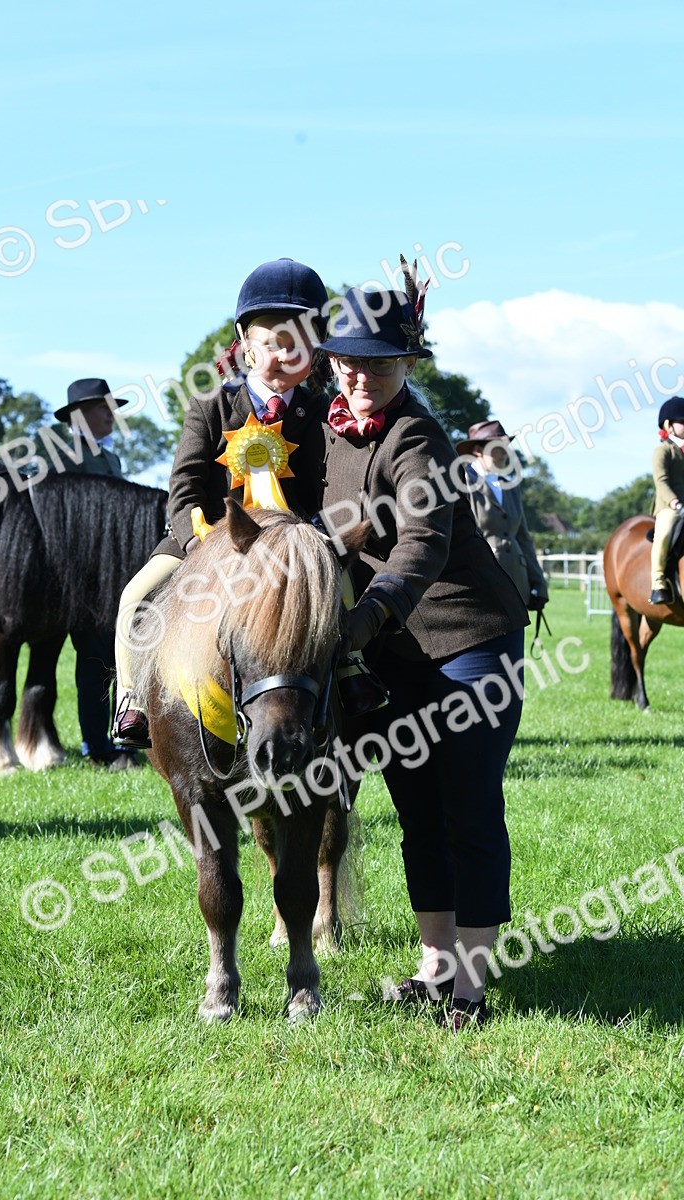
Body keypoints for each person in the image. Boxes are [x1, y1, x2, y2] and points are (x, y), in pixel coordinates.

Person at [318, 277, 528, 1031]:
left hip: (471, 640)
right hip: (393, 650)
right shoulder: (324, 429)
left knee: (468, 807)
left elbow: (422, 542)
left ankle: (471, 987)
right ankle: (434, 968)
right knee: (416, 811)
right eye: (346, 360)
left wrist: (367, 615)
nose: (359, 375)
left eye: (377, 363)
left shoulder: (419, 437)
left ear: (409, 364)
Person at [112, 257, 347, 749]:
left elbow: (325, 490)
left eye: (295, 348)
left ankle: (353, 672)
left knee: (343, 590)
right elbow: (184, 485)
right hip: (209, 537)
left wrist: (314, 537)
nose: (280, 358)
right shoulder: (209, 404)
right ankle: (132, 700)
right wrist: (199, 536)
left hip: (292, 547)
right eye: (268, 345)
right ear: (244, 343)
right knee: (135, 598)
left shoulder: (321, 414)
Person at [53, 378, 136, 769]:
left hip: (114, 572)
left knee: (118, 659)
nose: (110, 414)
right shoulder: (65, 456)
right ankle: (95, 745)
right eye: (103, 408)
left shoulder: (112, 459)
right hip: (82, 575)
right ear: (80, 416)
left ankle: (121, 737)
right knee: (93, 662)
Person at [457, 419, 548, 610]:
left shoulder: (511, 485)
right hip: (481, 581)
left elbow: (523, 538)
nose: (506, 451)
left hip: (517, 580)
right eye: (498, 446)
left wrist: (538, 583)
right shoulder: (462, 482)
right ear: (478, 451)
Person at [649, 396, 684, 605]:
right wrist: (676, 504)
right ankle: (658, 581)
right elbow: (661, 482)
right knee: (665, 531)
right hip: (669, 507)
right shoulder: (662, 451)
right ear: (668, 425)